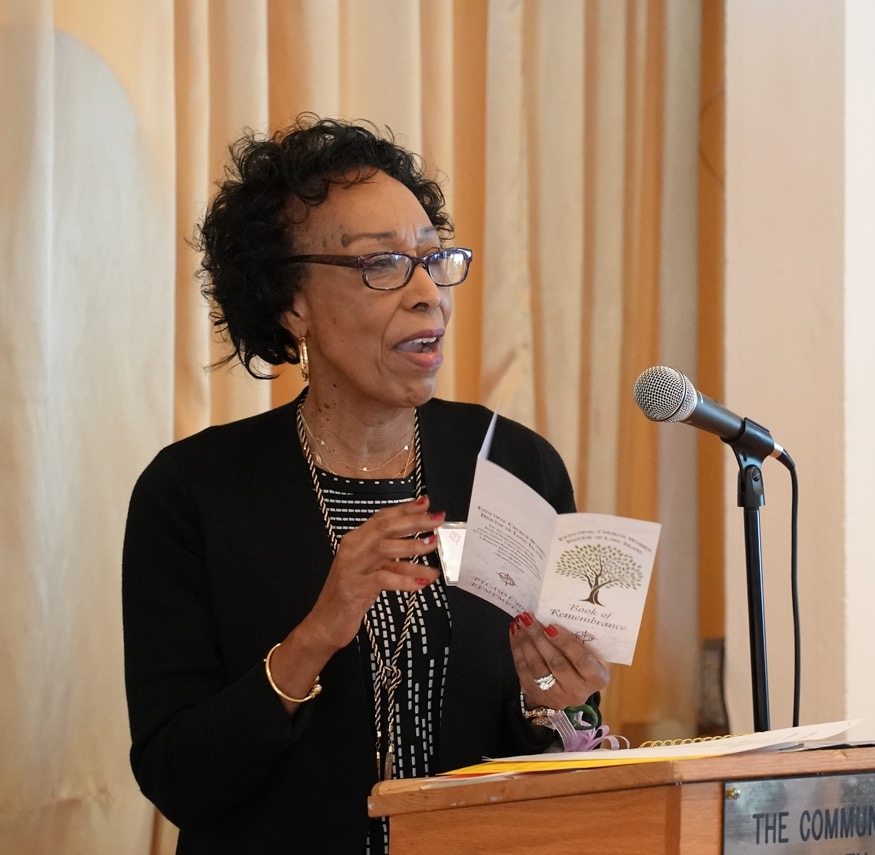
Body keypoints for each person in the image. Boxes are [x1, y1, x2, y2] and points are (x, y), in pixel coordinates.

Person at [122, 115, 609, 854]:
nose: (428, 295)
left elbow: (560, 745)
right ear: (292, 302)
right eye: (381, 265)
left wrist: (560, 707)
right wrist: (317, 633)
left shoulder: (513, 463)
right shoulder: (192, 492)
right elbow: (179, 776)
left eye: (433, 259)